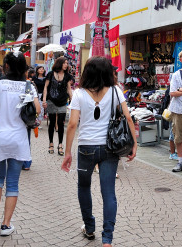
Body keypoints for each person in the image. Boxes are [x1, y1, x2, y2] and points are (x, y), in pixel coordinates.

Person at [61, 56, 137, 247]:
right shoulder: (115, 91)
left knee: (83, 187)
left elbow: (72, 125)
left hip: (86, 148)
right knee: (108, 193)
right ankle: (107, 238)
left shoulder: (78, 94)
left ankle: (89, 227)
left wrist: (67, 152)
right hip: (109, 148)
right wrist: (134, 144)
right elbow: (128, 118)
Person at [0, 52, 40, 236]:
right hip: (18, 139)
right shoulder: (28, 86)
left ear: (6, 66)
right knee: (13, 183)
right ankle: (6, 225)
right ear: (24, 67)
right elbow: (37, 110)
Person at [43, 56, 74, 156]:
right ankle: (51, 143)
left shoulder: (67, 76)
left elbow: (69, 89)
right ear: (59, 63)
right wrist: (44, 100)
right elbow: (46, 87)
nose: (66, 65)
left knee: (61, 123)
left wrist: (73, 100)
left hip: (62, 101)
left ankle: (60, 144)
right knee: (52, 122)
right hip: (51, 101)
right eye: (64, 63)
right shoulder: (51, 74)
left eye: (67, 63)